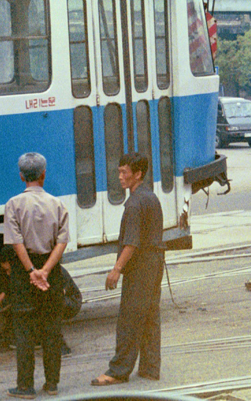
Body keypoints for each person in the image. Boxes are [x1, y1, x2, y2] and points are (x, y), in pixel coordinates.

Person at [92, 152, 165, 386]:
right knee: (150, 315)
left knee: (130, 318)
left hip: (141, 265)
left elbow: (131, 242)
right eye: (120, 171)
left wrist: (117, 269)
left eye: (125, 172)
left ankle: (118, 371)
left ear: (138, 174)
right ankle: (150, 368)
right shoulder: (150, 197)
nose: (120, 176)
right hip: (155, 262)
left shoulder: (134, 203)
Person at [4, 153, 69, 399]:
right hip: (51, 271)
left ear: (21, 176)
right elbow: (61, 243)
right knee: (52, 328)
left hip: (24, 273)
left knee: (24, 329)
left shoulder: (13, 204)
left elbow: (16, 242)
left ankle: (25, 386)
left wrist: (31, 271)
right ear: (44, 175)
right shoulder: (58, 204)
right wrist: (46, 271)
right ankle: (52, 384)